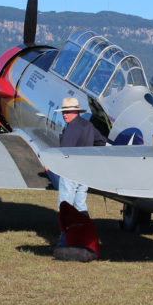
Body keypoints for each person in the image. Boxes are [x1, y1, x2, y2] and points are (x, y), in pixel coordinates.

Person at [53, 97, 106, 245]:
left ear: (76, 111)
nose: (65, 115)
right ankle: (86, 239)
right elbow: (101, 142)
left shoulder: (73, 127)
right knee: (81, 206)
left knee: (65, 208)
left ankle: (64, 242)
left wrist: (51, 163)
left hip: (70, 172)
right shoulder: (87, 125)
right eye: (64, 112)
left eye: (68, 112)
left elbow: (64, 150)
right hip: (85, 172)